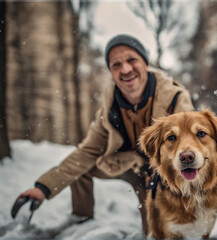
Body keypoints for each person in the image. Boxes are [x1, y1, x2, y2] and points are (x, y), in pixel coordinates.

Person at [14, 34, 194, 233]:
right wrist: (43, 188)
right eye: (116, 64)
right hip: (127, 165)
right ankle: (81, 219)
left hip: (162, 175)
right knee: (81, 167)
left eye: (132, 59)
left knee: (154, 232)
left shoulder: (175, 99)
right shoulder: (110, 109)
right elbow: (85, 153)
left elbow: (191, 150)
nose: (125, 69)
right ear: (111, 71)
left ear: (145, 63)